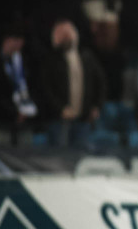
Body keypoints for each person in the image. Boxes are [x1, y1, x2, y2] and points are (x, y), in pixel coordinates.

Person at [42, 19, 107, 147]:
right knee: (59, 157)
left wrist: (97, 106)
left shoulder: (87, 56)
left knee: (81, 154)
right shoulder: (50, 60)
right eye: (62, 34)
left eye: (68, 33)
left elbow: (101, 83)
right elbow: (46, 89)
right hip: (59, 120)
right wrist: (60, 109)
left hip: (83, 118)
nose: (66, 37)